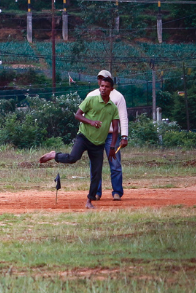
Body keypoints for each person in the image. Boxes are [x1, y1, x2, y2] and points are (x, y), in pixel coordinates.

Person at [40, 72, 120, 209]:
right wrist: (90, 122)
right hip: (84, 136)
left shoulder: (112, 107)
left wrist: (112, 147)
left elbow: (115, 128)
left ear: (111, 89)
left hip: (99, 144)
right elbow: (77, 115)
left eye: (106, 86)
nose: (103, 88)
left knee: (96, 173)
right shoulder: (91, 99)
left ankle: (89, 201)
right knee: (73, 158)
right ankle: (54, 155)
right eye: (102, 86)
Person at [86, 70, 129, 201]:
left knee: (115, 164)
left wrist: (124, 136)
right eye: (99, 78)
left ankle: (117, 192)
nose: (101, 81)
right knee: (95, 165)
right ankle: (96, 193)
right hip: (95, 135)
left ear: (110, 82)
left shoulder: (118, 97)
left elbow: (123, 117)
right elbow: (84, 115)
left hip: (112, 135)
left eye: (104, 79)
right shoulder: (91, 95)